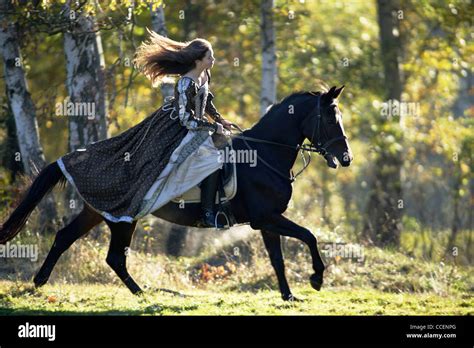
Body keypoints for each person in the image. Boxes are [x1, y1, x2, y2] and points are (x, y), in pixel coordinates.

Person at [56, 29, 232, 228]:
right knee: (208, 161)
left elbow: (206, 102)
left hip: (197, 127)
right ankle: (207, 213)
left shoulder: (204, 75)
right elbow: (186, 119)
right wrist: (212, 126)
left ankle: (218, 208)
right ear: (198, 61)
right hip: (176, 129)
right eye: (210, 57)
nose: (213, 60)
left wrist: (220, 120)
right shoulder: (185, 83)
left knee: (223, 152)